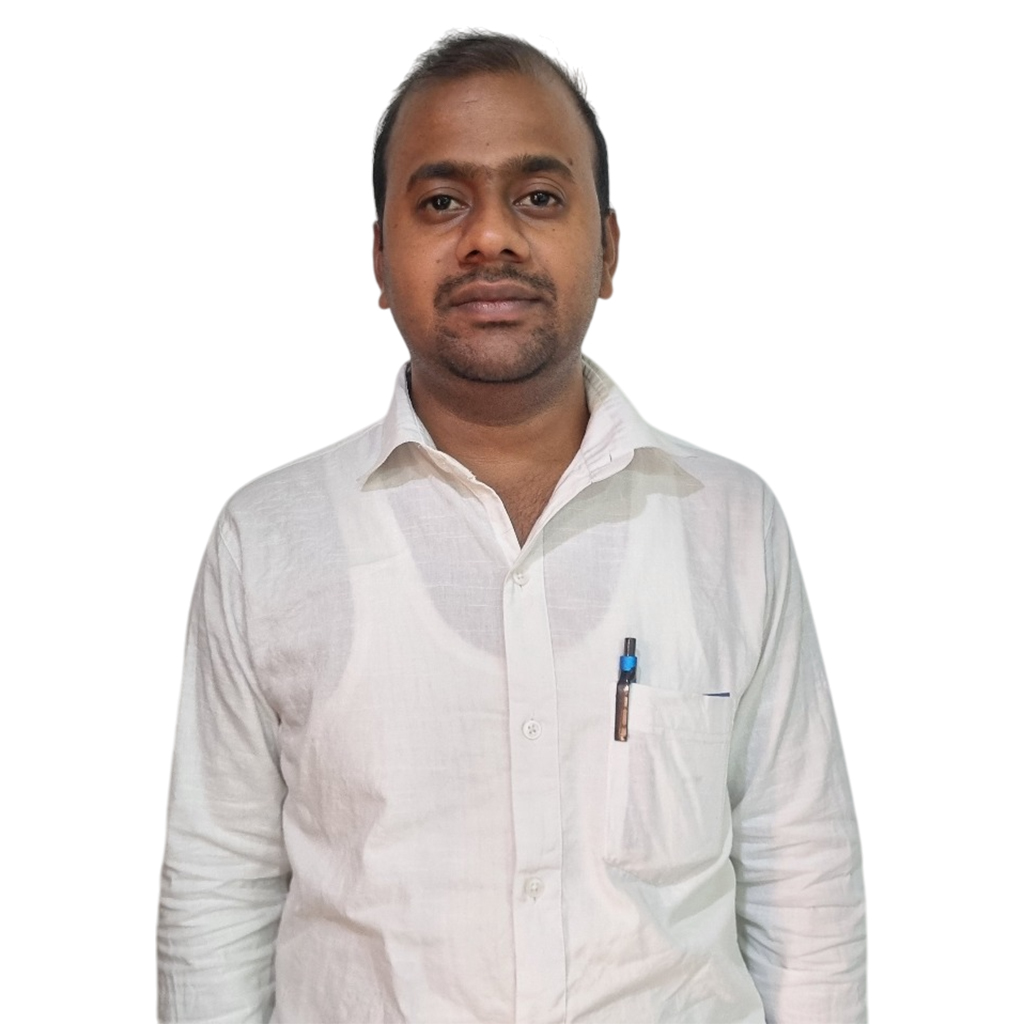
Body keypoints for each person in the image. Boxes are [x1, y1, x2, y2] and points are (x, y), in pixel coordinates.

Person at [158, 31, 866, 1024]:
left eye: (537, 196)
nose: (490, 237)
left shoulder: (728, 525)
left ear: (607, 247)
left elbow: (803, 872)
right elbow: (217, 889)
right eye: (441, 202)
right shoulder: (269, 540)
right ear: (379, 257)